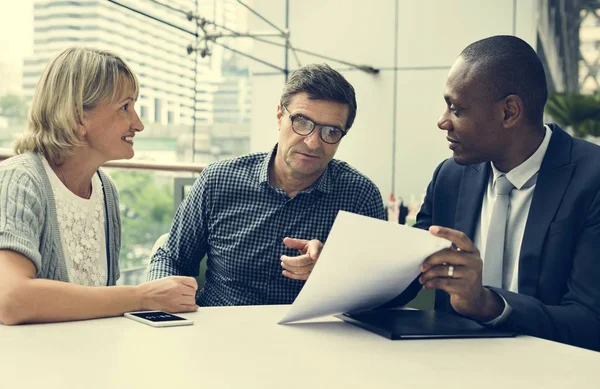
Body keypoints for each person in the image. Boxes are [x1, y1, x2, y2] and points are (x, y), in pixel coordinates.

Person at [393, 35, 600, 351]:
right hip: (450, 368)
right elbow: (406, 274)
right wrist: (342, 271)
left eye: (456, 108)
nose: (442, 121)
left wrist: (488, 304)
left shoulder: (591, 179)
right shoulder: (449, 177)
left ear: (509, 112)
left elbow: (590, 322)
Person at [147, 63, 386, 306]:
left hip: (313, 338)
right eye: (302, 122)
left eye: (331, 132)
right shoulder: (218, 181)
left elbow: (377, 289)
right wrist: (163, 309)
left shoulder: (359, 196)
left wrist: (334, 270)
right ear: (280, 116)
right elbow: (171, 258)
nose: (313, 142)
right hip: (220, 333)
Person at [0, 47, 198, 325]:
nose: (138, 124)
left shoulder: (105, 189)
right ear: (79, 117)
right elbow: (12, 300)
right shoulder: (21, 180)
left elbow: (104, 303)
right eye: (125, 107)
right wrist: (141, 297)